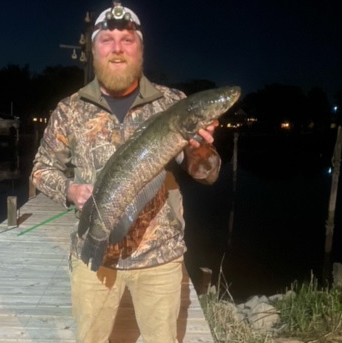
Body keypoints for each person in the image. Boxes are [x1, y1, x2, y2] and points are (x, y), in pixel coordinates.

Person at [31, 2, 221, 342]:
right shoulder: (69, 109)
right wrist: (71, 191)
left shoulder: (173, 103)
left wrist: (200, 152)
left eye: (127, 40)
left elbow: (207, 174)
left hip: (160, 259)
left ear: (141, 50)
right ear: (93, 50)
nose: (117, 48)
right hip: (95, 255)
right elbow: (41, 169)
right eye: (107, 39)